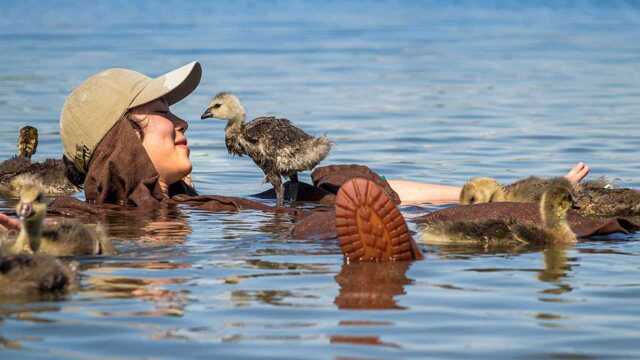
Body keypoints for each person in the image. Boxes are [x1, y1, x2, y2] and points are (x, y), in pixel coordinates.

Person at [0, 61, 591, 251]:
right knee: (326, 220)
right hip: (316, 240)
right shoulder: (93, 221)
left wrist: (517, 190)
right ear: (123, 141)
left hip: (304, 224)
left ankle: (537, 215)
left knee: (339, 185)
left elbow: (392, 192)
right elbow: (32, 231)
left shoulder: (207, 202)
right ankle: (381, 264)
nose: (183, 124)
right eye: (164, 116)